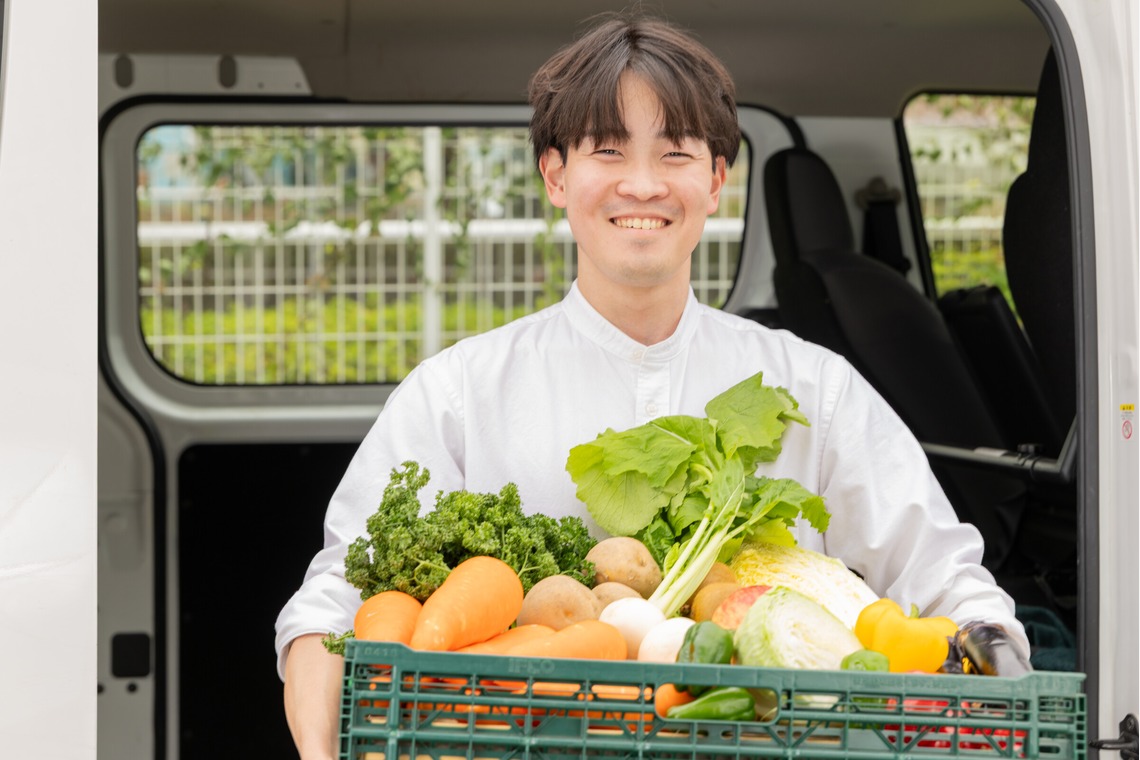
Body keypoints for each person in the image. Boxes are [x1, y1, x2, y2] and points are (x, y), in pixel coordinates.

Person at [276, 14, 1029, 759]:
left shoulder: (816, 390)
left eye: (675, 153)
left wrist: (996, 670)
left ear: (716, 180)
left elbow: (949, 586)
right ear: (556, 175)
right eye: (608, 150)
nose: (642, 184)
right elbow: (332, 608)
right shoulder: (457, 394)